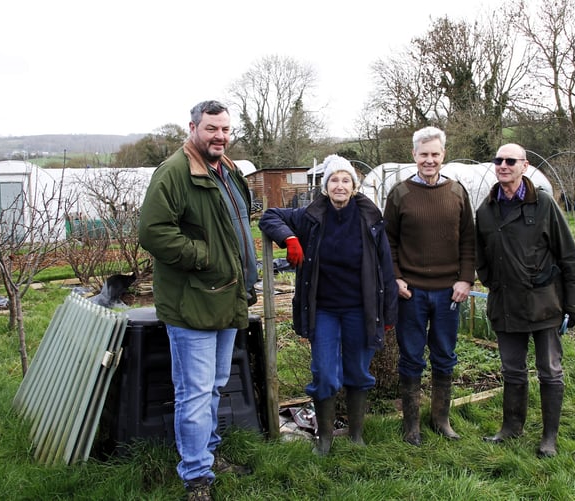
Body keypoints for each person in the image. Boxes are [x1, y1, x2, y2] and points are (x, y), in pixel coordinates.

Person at [138, 100, 257, 500]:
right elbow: (153, 233)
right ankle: (196, 478)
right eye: (211, 129)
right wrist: (205, 257)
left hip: (224, 296)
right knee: (193, 392)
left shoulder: (229, 170)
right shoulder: (174, 173)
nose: (219, 136)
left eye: (225, 129)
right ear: (192, 128)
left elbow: (238, 228)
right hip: (192, 303)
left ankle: (206, 454)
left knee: (214, 387)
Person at [259, 154, 398, 456]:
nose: (339, 185)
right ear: (325, 187)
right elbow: (268, 216)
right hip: (323, 310)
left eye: (345, 180)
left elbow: (386, 267)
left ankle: (356, 435)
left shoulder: (370, 219)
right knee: (324, 372)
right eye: (334, 180)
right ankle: (325, 438)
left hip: (360, 309)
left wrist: (387, 312)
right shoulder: (310, 216)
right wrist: (290, 239)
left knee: (358, 371)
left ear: (354, 185)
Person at [475, 143, 575, 458]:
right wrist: (494, 283)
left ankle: (549, 437)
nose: (503, 165)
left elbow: (570, 256)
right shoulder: (486, 209)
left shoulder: (543, 205)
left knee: (549, 370)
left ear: (524, 166)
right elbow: (480, 256)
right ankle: (511, 427)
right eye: (498, 160)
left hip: (544, 304)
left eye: (511, 160)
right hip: (506, 305)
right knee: (512, 370)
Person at [383, 126, 476, 446]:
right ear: (414, 156)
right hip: (412, 291)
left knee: (445, 355)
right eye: (424, 154)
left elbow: (468, 239)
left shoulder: (457, 192)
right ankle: (411, 425)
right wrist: (395, 277)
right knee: (410, 357)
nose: (429, 160)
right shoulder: (400, 194)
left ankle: (441, 418)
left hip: (450, 290)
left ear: (443, 155)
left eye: (435, 154)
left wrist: (466, 278)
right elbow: (389, 241)